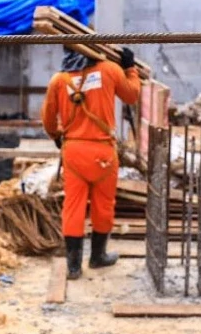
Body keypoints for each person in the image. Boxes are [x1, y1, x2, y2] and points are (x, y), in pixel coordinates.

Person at [41, 46, 141, 279]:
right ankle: (98, 256)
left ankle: (73, 267)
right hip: (103, 153)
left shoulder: (59, 79)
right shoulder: (109, 70)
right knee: (103, 205)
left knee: (73, 207)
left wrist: (57, 135)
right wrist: (130, 68)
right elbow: (132, 95)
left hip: (74, 152)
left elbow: (47, 119)